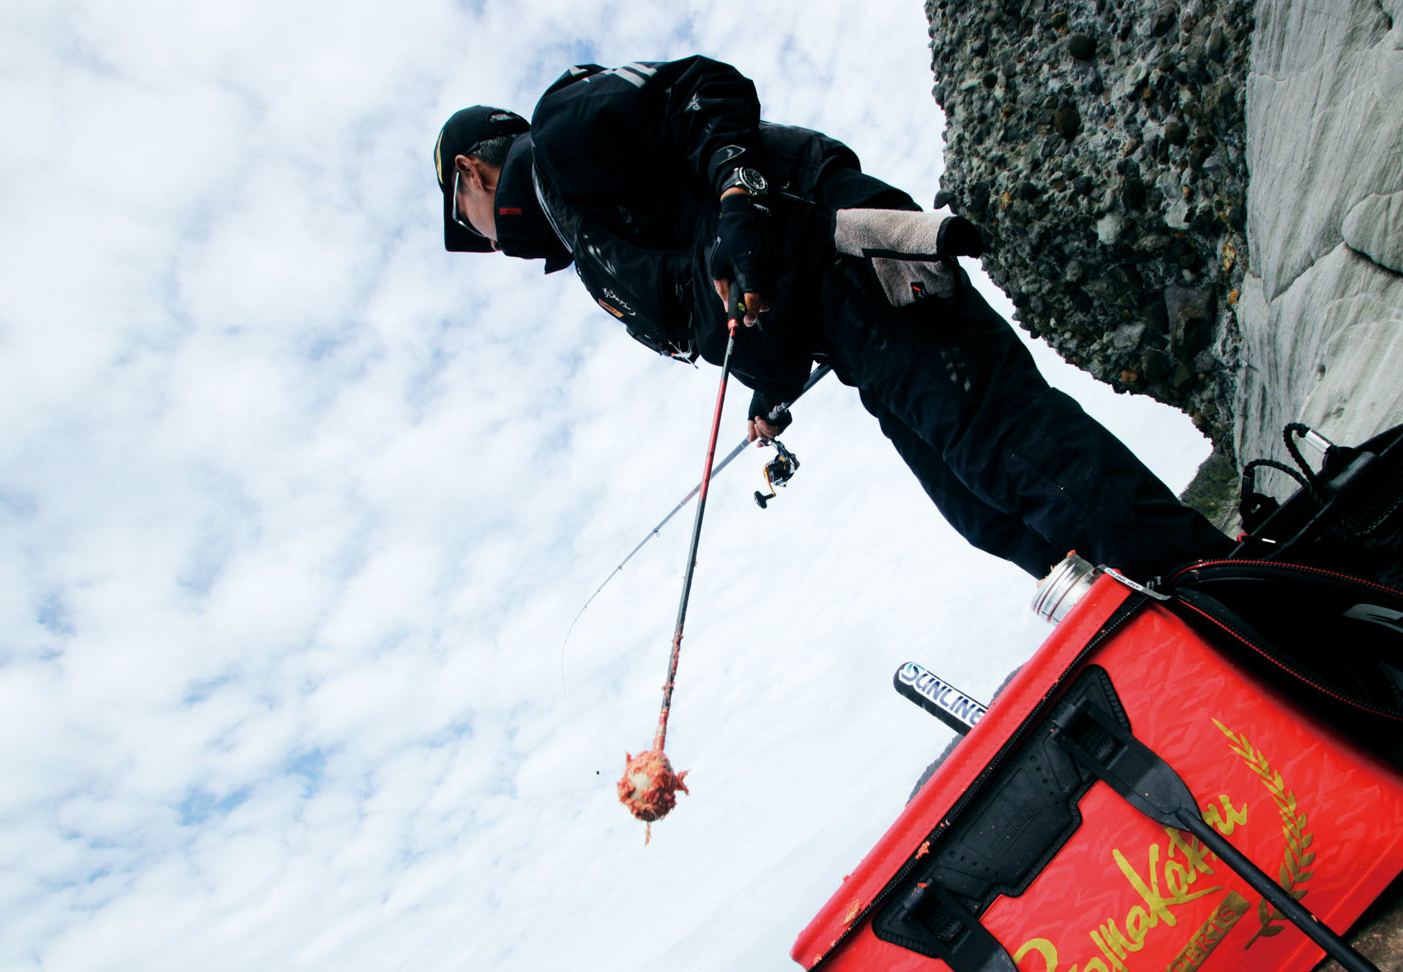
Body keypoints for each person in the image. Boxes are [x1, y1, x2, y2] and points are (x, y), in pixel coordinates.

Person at [435, 56, 1230, 582]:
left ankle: (1234, 602)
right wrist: (766, 391)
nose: (485, 238)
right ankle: (1169, 629)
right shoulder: (594, 249)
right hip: (841, 332)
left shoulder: (564, 136)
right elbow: (733, 298)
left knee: (1016, 458)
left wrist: (739, 202)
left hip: (851, 251)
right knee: (985, 511)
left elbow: (700, 92)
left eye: (468, 221)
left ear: (473, 172)